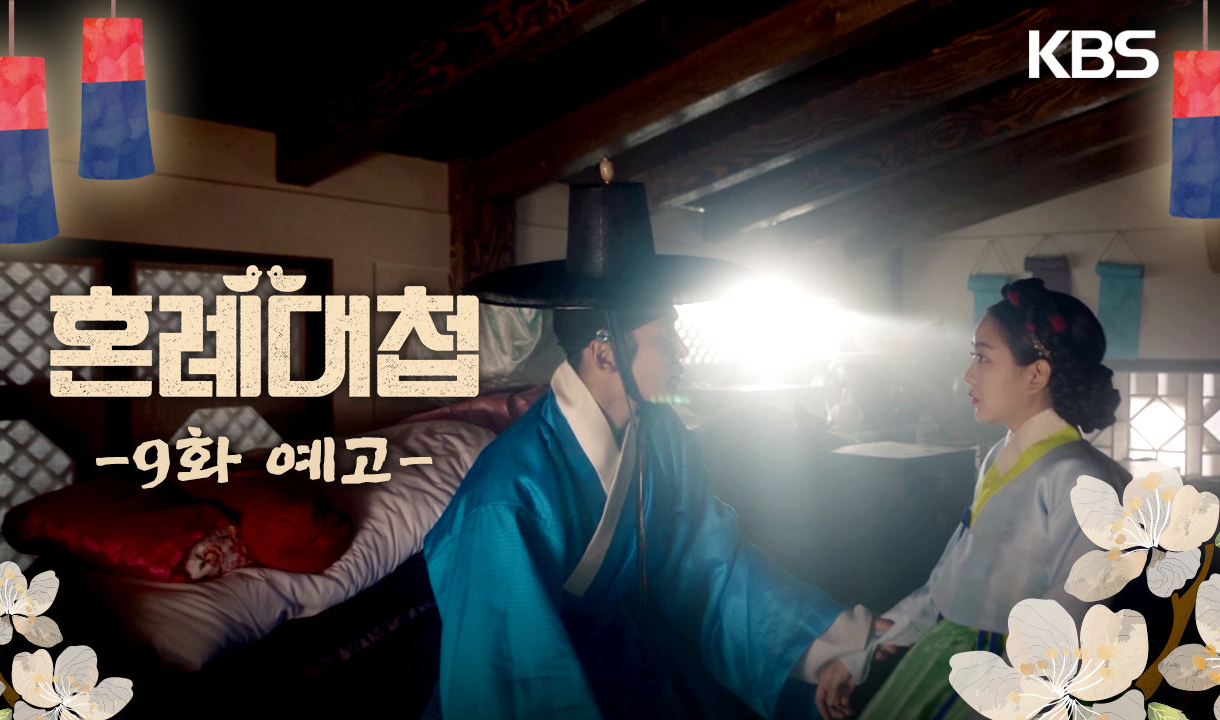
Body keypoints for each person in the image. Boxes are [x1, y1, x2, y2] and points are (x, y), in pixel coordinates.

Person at [424, 178, 888, 720]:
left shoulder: (662, 435)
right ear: (605, 353)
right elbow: (511, 670)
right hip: (550, 687)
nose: (682, 352)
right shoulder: (507, 496)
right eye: (666, 339)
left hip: (630, 660)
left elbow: (712, 564)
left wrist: (830, 639)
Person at [853, 278, 1131, 720]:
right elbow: (951, 576)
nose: (968, 374)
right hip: (943, 653)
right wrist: (869, 646)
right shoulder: (1000, 456)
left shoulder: (1084, 479)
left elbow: (1070, 625)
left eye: (982, 357)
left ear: (1037, 374)